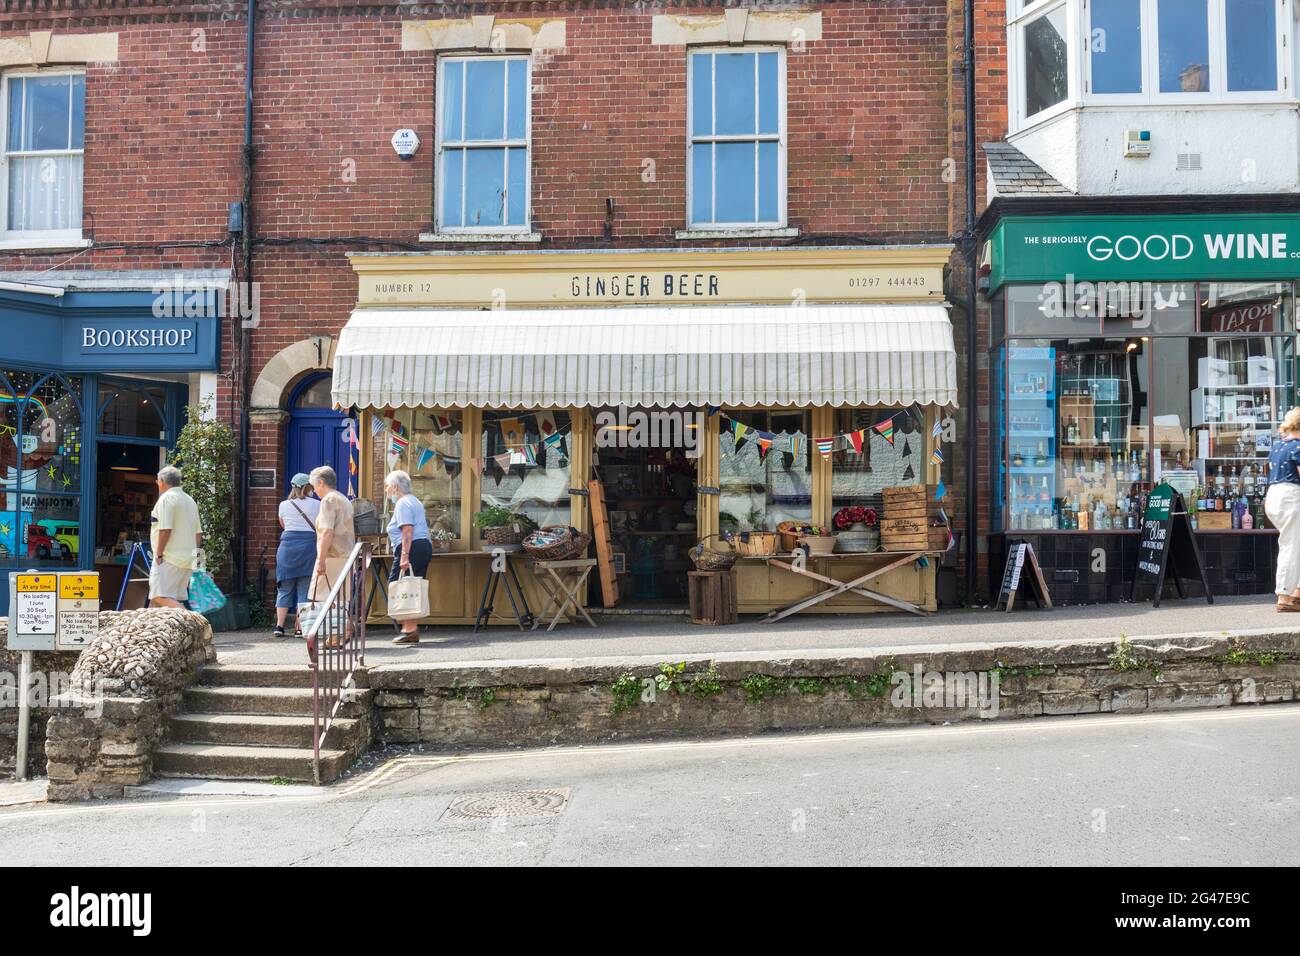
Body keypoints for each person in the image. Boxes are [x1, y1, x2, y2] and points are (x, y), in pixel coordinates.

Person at [384, 470, 434, 645]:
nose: (386, 490)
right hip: (421, 546)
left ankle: (410, 630)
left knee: (399, 586)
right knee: (411, 586)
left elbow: (407, 530)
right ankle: (410, 629)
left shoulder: (403, 503)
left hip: (411, 548)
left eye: (387, 486)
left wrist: (404, 555)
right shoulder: (414, 501)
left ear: (395, 486)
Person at [308, 465, 356, 644]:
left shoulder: (328, 501)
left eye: (314, 486)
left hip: (332, 555)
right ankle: (345, 628)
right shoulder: (343, 499)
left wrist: (320, 560)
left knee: (326, 595)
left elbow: (326, 532)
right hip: (346, 554)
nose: (314, 491)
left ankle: (337, 635)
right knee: (341, 595)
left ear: (321, 482)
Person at [148, 465, 203, 609]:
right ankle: (156, 631)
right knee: (158, 604)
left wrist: (159, 554)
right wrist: (195, 558)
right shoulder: (189, 500)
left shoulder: (166, 499)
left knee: (159, 597)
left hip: (169, 559)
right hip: (187, 560)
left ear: (161, 481)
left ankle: (195, 623)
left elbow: (165, 529)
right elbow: (198, 533)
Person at [273, 472, 321, 637]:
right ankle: (300, 628)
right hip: (308, 547)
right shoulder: (317, 504)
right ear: (309, 487)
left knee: (284, 588)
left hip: (287, 548)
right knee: (304, 588)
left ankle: (279, 626)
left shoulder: (284, 505)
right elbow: (319, 525)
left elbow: (283, 524)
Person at [1266, 407, 1300, 611]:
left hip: (1274, 496)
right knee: (1291, 545)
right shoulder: (1298, 447)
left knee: (1296, 543)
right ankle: (1285, 596)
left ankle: (1297, 592)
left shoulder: (1278, 446)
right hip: (1291, 497)